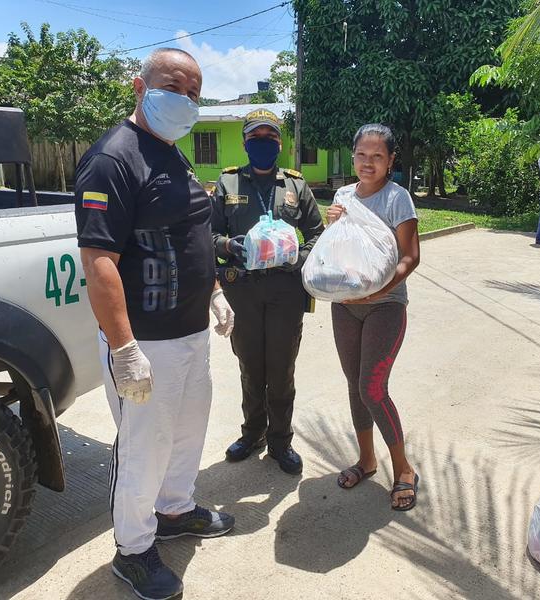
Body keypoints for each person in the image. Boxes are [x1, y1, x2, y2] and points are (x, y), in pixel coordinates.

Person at [75, 48, 235, 600]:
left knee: (188, 432)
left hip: (191, 334)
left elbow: (189, 232)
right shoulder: (113, 159)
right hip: (145, 342)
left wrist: (214, 291)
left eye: (194, 92)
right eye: (174, 86)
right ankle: (133, 549)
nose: (185, 100)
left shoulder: (172, 153)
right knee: (143, 446)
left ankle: (174, 511)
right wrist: (123, 348)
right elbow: (99, 264)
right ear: (140, 87)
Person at [211, 108, 324, 475]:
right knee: (250, 366)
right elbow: (205, 235)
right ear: (245, 142)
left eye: (270, 138)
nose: (263, 143)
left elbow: (318, 233)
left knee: (280, 369)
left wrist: (298, 257)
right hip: (241, 291)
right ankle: (252, 433)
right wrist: (229, 246)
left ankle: (280, 442)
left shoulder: (295, 185)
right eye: (256, 137)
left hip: (284, 291)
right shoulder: (227, 184)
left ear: (280, 143)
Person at [326, 124, 421, 511]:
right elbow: (337, 249)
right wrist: (333, 224)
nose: (368, 162)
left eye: (377, 156)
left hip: (386, 305)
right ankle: (367, 460)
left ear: (390, 160)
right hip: (345, 304)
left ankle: (404, 469)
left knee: (372, 389)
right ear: (353, 156)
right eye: (362, 155)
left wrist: (380, 291)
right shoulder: (343, 196)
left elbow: (410, 257)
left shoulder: (399, 199)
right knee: (354, 385)